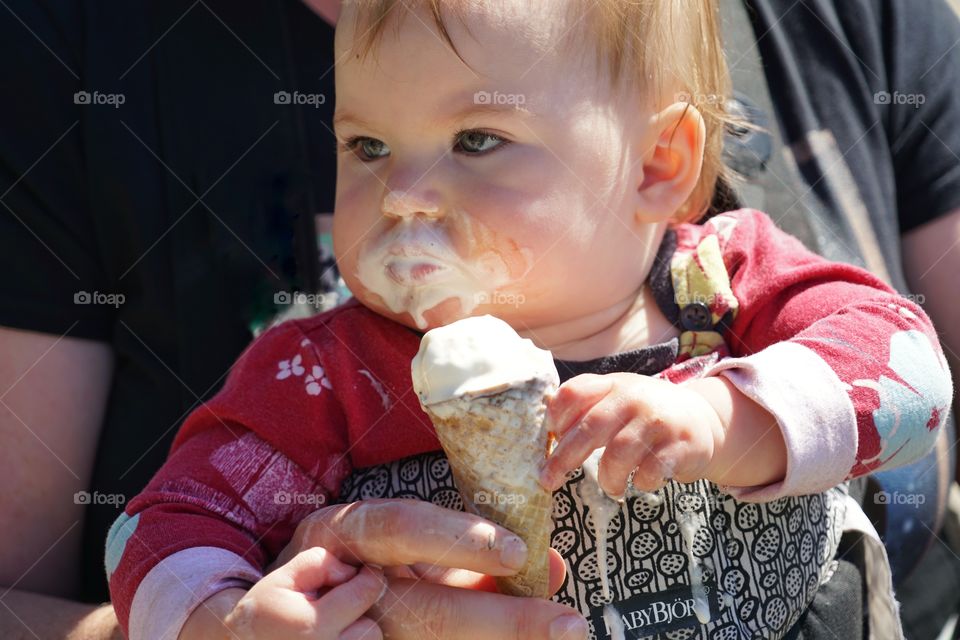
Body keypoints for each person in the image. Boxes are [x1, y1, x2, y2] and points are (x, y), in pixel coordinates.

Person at [103, 2, 953, 639]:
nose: (400, 196)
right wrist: (220, 619)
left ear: (659, 164)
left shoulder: (724, 280)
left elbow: (911, 368)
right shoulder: (330, 373)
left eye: (476, 140)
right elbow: (157, 524)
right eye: (367, 148)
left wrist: (731, 419)